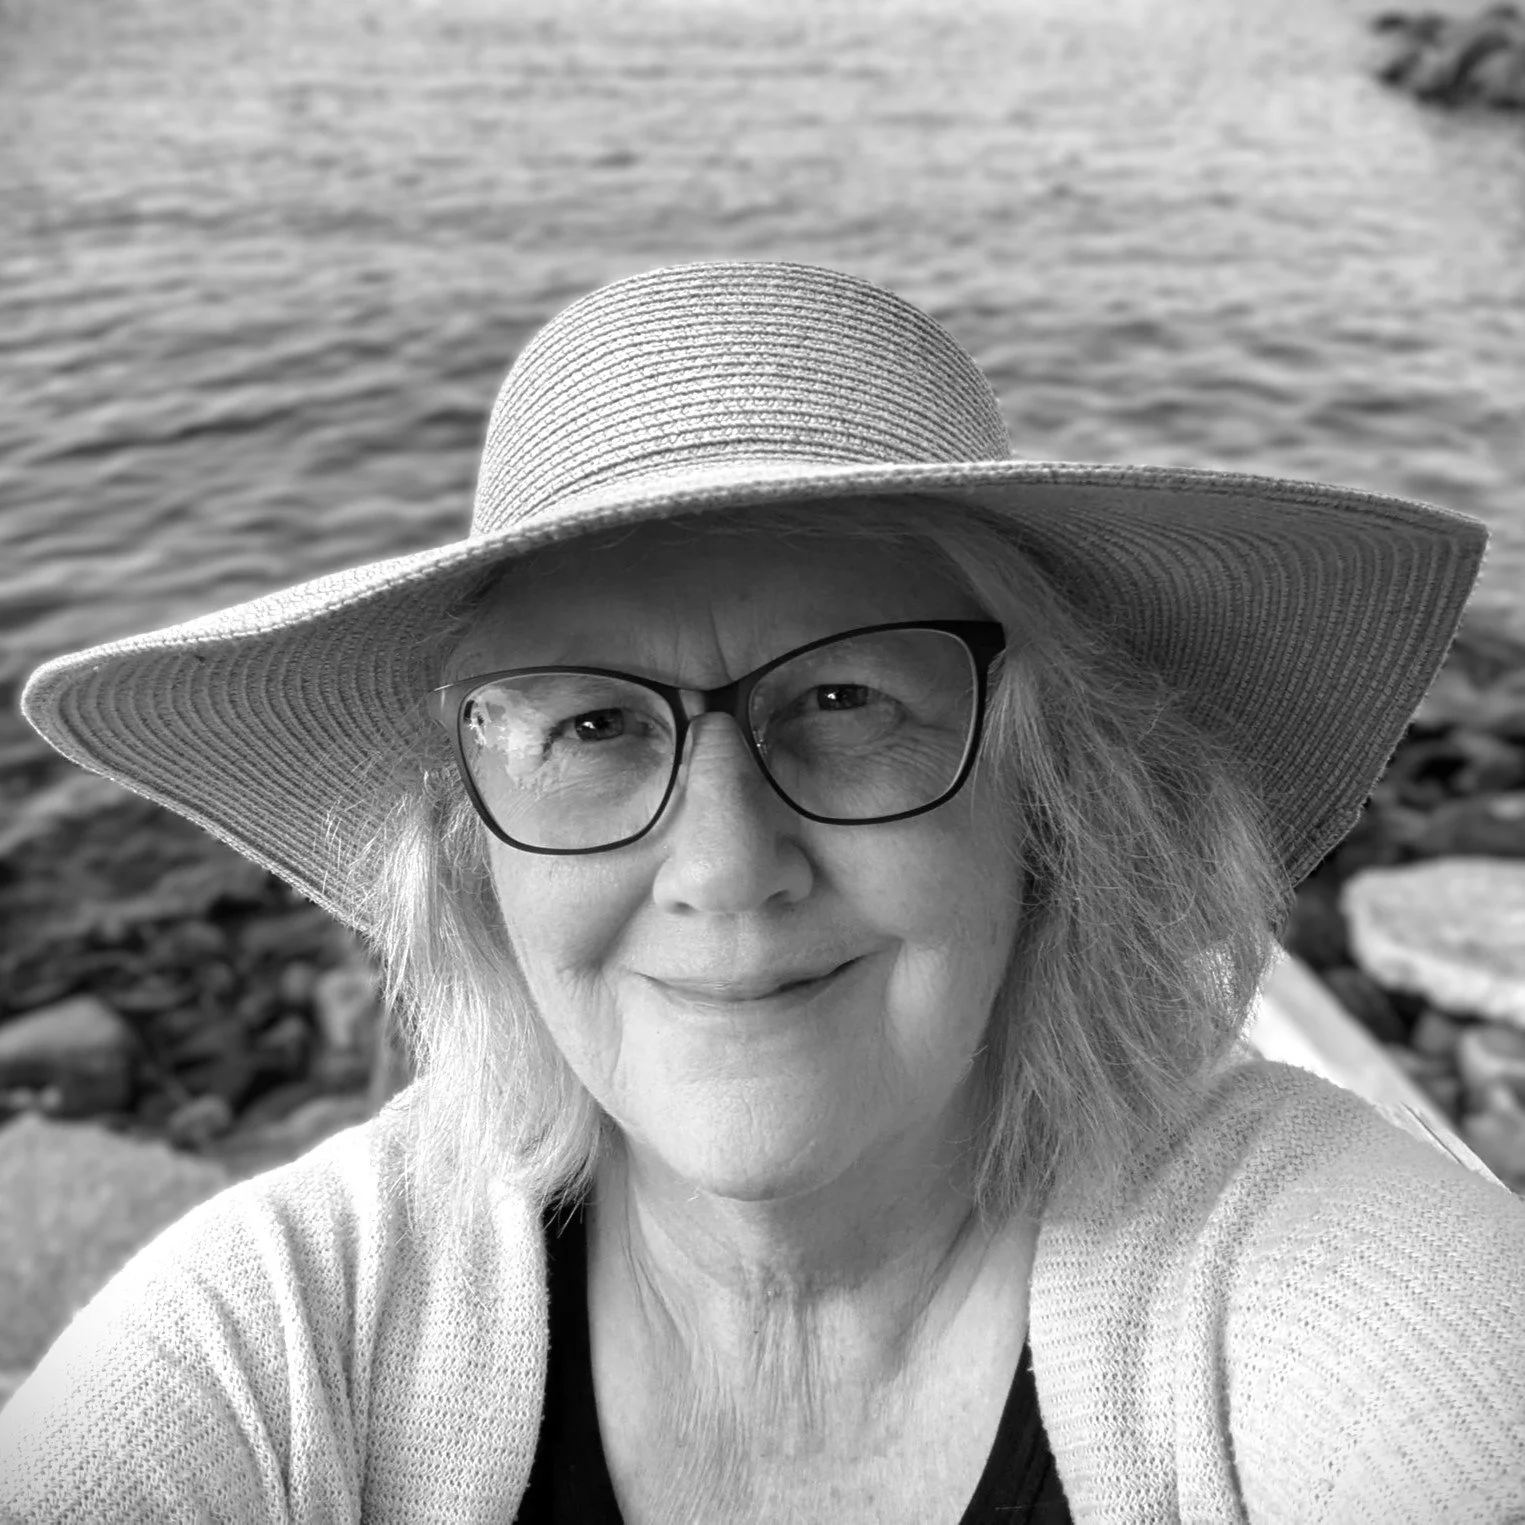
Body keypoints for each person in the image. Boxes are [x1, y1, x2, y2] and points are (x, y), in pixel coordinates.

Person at [2, 260, 1523, 1523]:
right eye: (589, 727)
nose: (728, 868)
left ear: (1057, 806)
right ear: (474, 855)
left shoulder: (1348, 1301)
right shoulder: (282, 1342)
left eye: (851, 701)